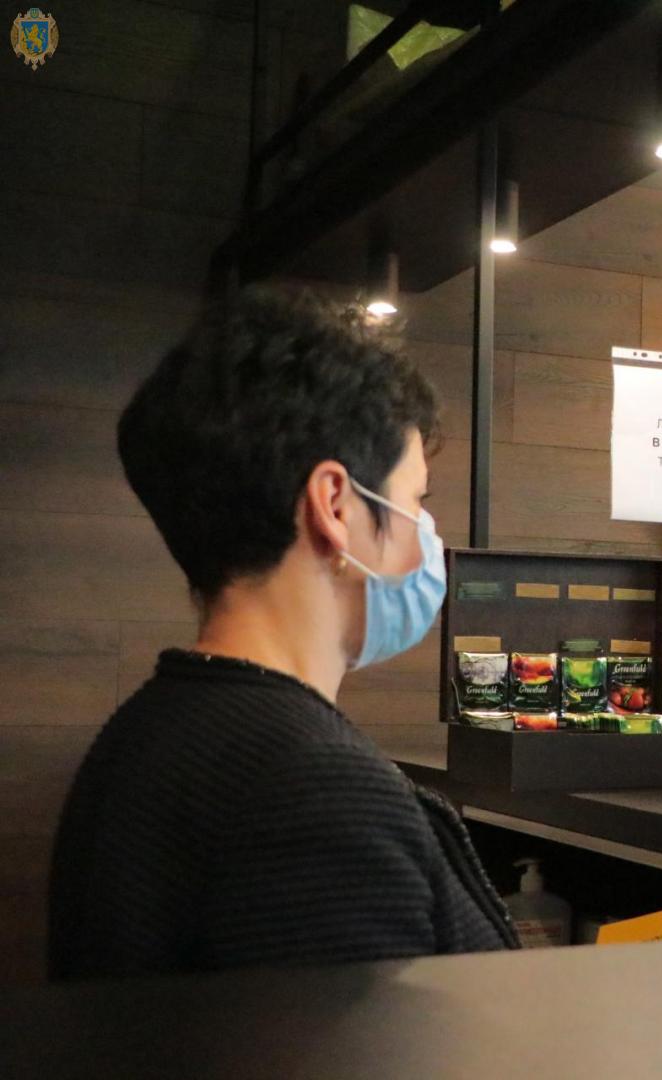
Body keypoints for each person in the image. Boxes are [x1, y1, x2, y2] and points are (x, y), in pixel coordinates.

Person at [49, 290, 518, 979]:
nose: (425, 540)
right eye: (416, 501)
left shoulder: (149, 729)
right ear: (335, 506)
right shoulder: (314, 792)